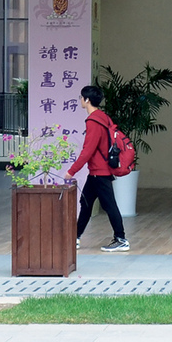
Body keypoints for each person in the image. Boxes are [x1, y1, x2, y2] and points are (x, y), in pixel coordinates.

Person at [67, 84, 129, 253]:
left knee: (110, 206)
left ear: (87, 100)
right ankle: (75, 237)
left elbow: (88, 150)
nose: (80, 100)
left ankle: (121, 239)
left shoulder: (93, 121)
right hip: (96, 172)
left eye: (81, 97)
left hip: (100, 173)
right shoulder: (103, 117)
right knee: (86, 204)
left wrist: (71, 171)